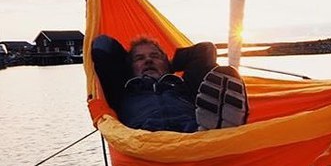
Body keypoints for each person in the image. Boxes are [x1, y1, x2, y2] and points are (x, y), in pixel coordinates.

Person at [92, 34, 249, 133]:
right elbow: (102, 44)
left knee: (220, 79)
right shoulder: (121, 91)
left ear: (167, 63)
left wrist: (169, 65)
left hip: (193, 134)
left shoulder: (186, 86)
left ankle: (219, 129)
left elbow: (205, 49)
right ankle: (219, 133)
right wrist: (127, 67)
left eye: (155, 56)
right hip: (144, 140)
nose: (148, 60)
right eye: (139, 58)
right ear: (129, 67)